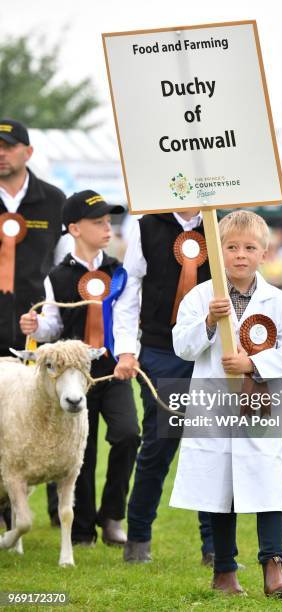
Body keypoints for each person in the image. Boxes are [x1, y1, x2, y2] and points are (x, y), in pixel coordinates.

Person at [170, 210, 282, 598]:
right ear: (217, 252)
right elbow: (182, 345)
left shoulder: (278, 301)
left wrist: (253, 363)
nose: (240, 255)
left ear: (264, 254)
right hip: (214, 403)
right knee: (219, 485)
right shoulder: (201, 297)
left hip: (261, 405)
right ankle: (225, 570)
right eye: (231, 247)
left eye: (250, 248)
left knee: (266, 480)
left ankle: (273, 567)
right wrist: (210, 325)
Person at [20, 190, 140, 546]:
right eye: (98, 222)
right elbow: (53, 326)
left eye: (109, 221)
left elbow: (126, 319)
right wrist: (35, 327)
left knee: (128, 433)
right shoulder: (55, 277)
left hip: (112, 370)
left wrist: (127, 355)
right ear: (74, 228)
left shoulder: (119, 272)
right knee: (81, 452)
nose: (108, 228)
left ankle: (114, 515)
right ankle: (83, 526)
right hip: (73, 376)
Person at [113, 210, 215, 564]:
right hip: (159, 350)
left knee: (210, 446)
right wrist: (127, 348)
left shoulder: (221, 221)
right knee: (159, 443)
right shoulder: (145, 226)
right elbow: (128, 292)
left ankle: (215, 549)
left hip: (209, 350)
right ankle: (138, 539)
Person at [0, 118, 68, 528]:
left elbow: (62, 267)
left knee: (40, 417)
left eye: (8, 146)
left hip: (34, 329)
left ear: (27, 152)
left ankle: (58, 512)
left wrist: (52, 319)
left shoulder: (54, 200)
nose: (1, 153)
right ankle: (6, 510)